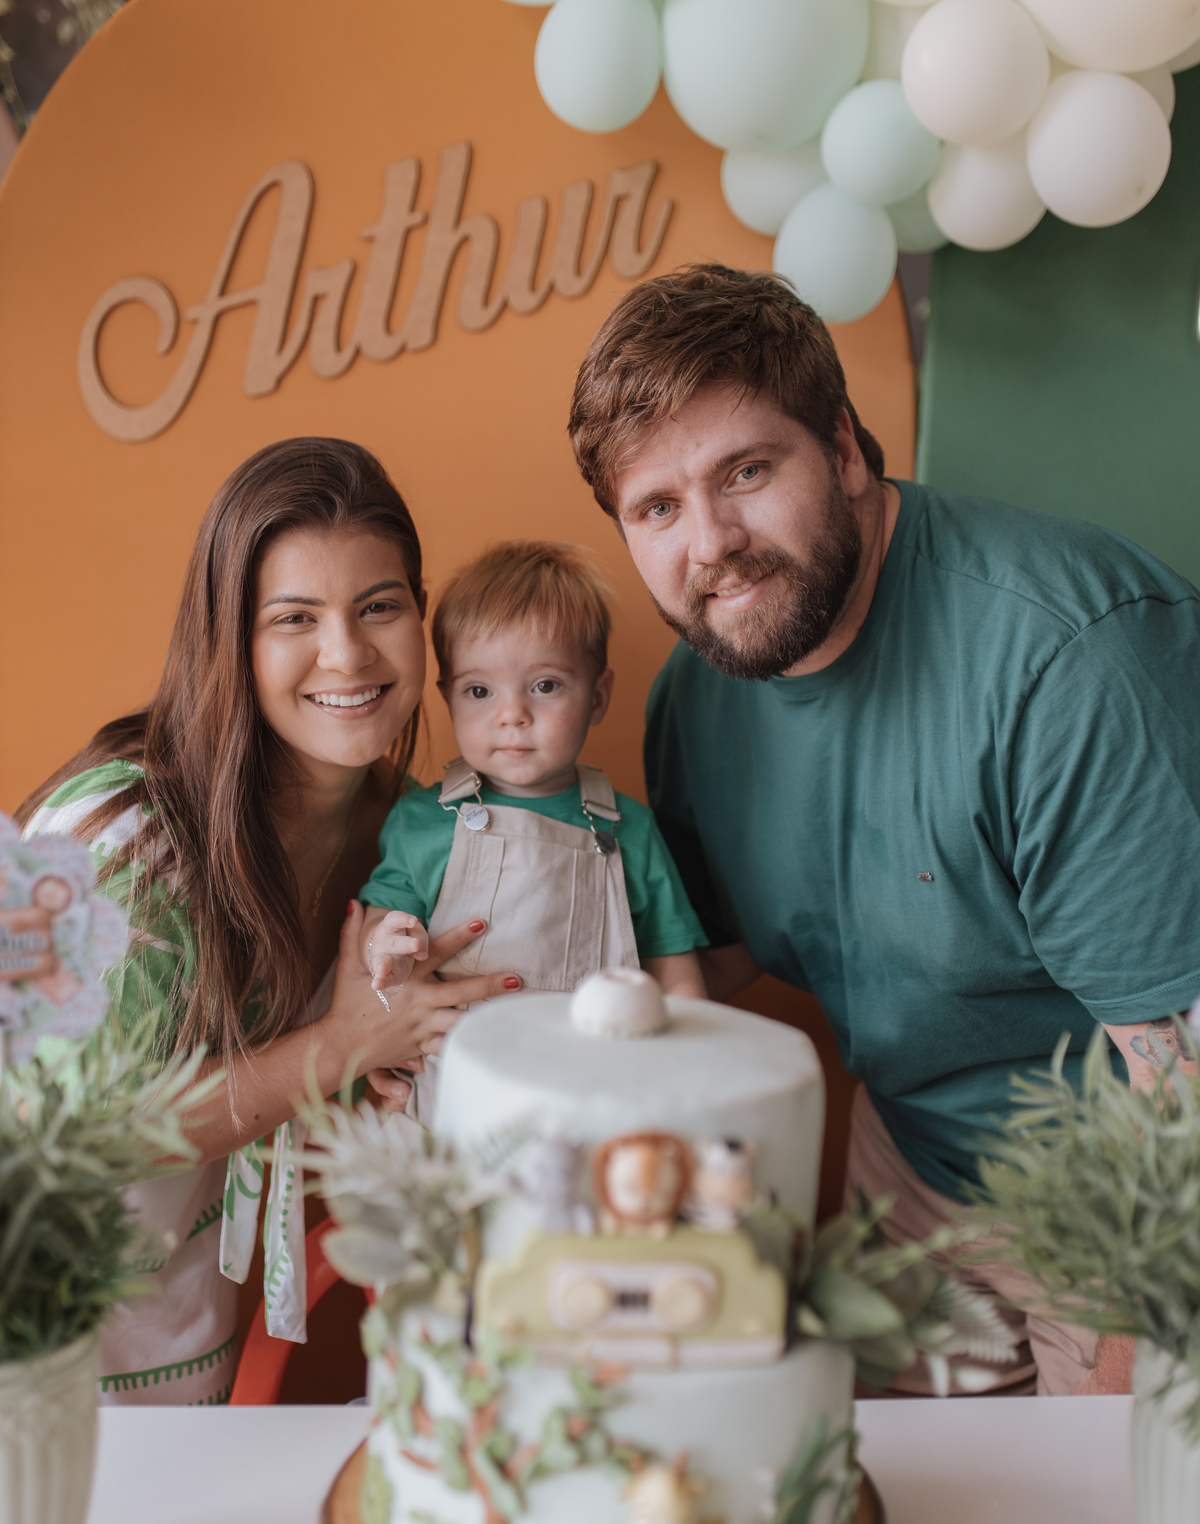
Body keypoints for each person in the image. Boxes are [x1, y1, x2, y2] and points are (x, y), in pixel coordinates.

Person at [567, 263, 1200, 1395]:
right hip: (906, 1154)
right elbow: (722, 951)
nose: (708, 544)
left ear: (847, 451)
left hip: (1120, 1198)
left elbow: (1184, 1102)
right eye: (657, 508)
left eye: (746, 472)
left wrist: (1114, 1385)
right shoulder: (696, 695)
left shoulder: (1070, 661)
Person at [18, 437, 521, 1404]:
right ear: (232, 641)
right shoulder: (116, 839)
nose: (348, 654)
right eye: (296, 618)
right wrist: (343, 1045)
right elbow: (80, 1131)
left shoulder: (409, 835)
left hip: (175, 1307)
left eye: (380, 606)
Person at [360, 541, 707, 1117]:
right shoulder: (423, 820)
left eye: (545, 686)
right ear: (448, 699)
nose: (512, 714)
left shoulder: (630, 830)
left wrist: (683, 1065)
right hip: (454, 1100)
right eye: (479, 691)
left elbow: (676, 969)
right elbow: (381, 919)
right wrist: (385, 940)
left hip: (598, 1099)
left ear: (596, 697)